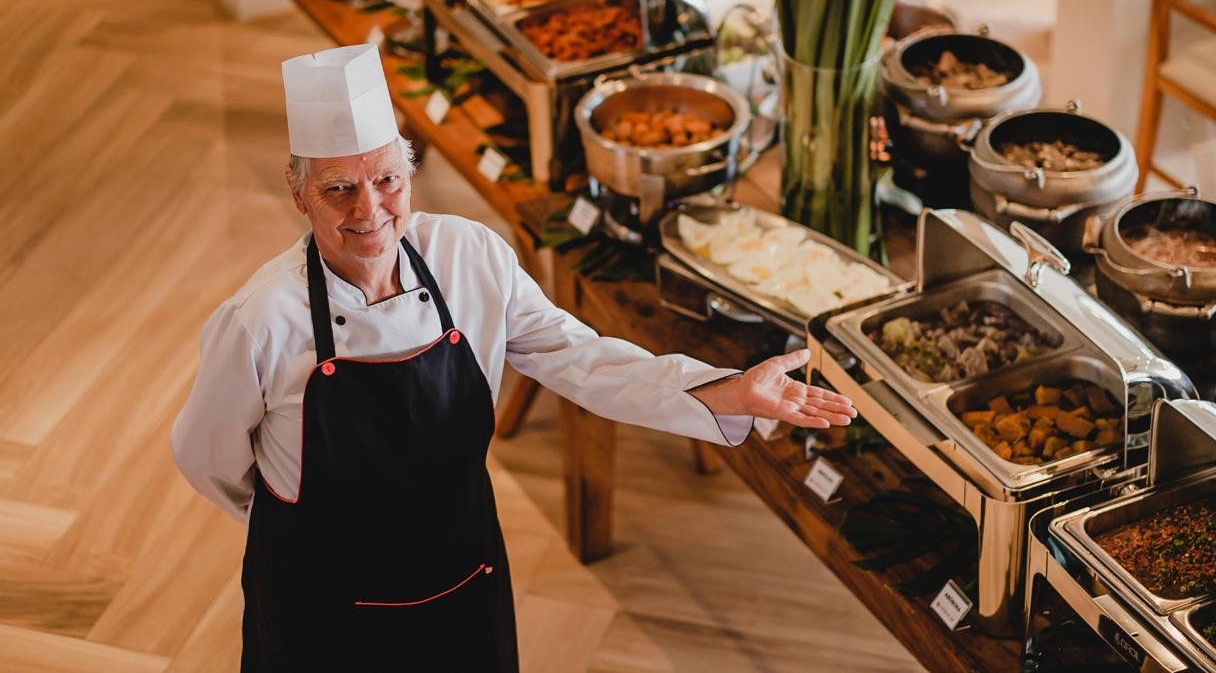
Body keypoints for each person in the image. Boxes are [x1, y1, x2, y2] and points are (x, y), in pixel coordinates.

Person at [171, 44, 856, 672]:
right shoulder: (261, 318)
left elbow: (579, 358)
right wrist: (299, 530)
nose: (370, 209)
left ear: (409, 171)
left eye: (385, 178)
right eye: (338, 188)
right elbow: (208, 457)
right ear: (299, 195)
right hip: (320, 607)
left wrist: (726, 392)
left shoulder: (471, 258)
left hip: (459, 580)